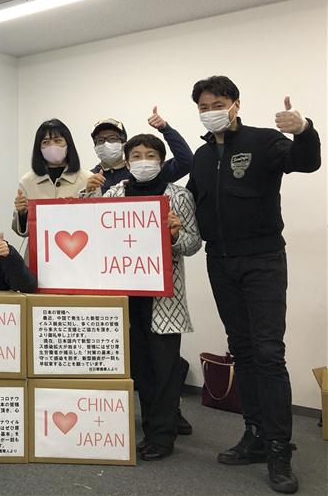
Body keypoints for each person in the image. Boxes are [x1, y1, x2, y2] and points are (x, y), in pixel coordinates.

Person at [187, 76, 320, 494]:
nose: (211, 109)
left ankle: (280, 446)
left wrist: (304, 129)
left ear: (235, 104)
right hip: (219, 261)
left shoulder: (264, 141)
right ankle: (255, 434)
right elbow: (190, 201)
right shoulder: (202, 156)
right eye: (204, 104)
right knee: (241, 349)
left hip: (262, 260)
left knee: (267, 352)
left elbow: (308, 161)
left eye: (219, 102)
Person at [100, 133, 201, 461]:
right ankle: (154, 425)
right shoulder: (113, 193)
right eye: (137, 155)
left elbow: (192, 244)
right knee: (140, 367)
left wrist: (174, 234)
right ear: (127, 162)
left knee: (165, 367)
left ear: (161, 160)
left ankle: (162, 434)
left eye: (151, 155)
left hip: (164, 301)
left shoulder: (178, 195)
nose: (144, 161)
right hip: (125, 297)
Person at [84, 108, 194, 195]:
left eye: (112, 138)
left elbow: (187, 162)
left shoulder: (146, 171)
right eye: (100, 140)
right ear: (95, 146)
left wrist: (165, 129)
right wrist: (88, 193)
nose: (106, 144)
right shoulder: (88, 176)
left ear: (123, 143)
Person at [12, 119, 92, 237]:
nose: (52, 146)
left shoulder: (87, 179)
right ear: (39, 148)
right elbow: (23, 232)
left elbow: (94, 222)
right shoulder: (27, 181)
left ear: (68, 144)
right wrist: (22, 213)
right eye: (45, 142)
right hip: (39, 252)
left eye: (57, 140)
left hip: (79, 249)